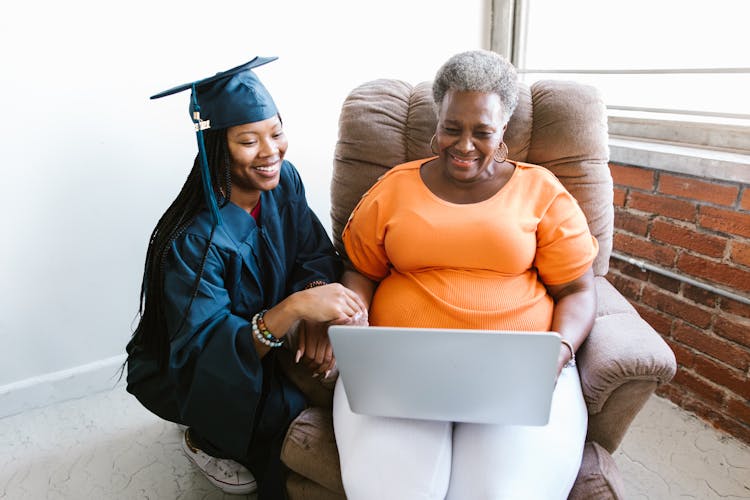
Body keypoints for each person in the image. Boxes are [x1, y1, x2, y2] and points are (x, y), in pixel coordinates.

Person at [334, 49, 599, 499]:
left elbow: (577, 288)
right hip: (399, 371)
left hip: (517, 376)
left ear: (504, 131)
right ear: (436, 123)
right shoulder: (394, 187)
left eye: (483, 132)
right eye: (452, 128)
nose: (464, 145)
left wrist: (561, 349)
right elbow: (358, 270)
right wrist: (352, 317)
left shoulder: (542, 192)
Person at [125, 56, 366, 499]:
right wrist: (293, 309)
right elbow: (205, 350)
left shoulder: (284, 181)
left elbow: (311, 250)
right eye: (248, 141)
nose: (270, 151)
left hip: (273, 339)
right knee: (286, 419)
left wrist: (314, 307)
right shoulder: (195, 240)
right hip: (204, 371)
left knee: (348, 394)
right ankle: (206, 437)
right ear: (216, 147)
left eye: (276, 133)